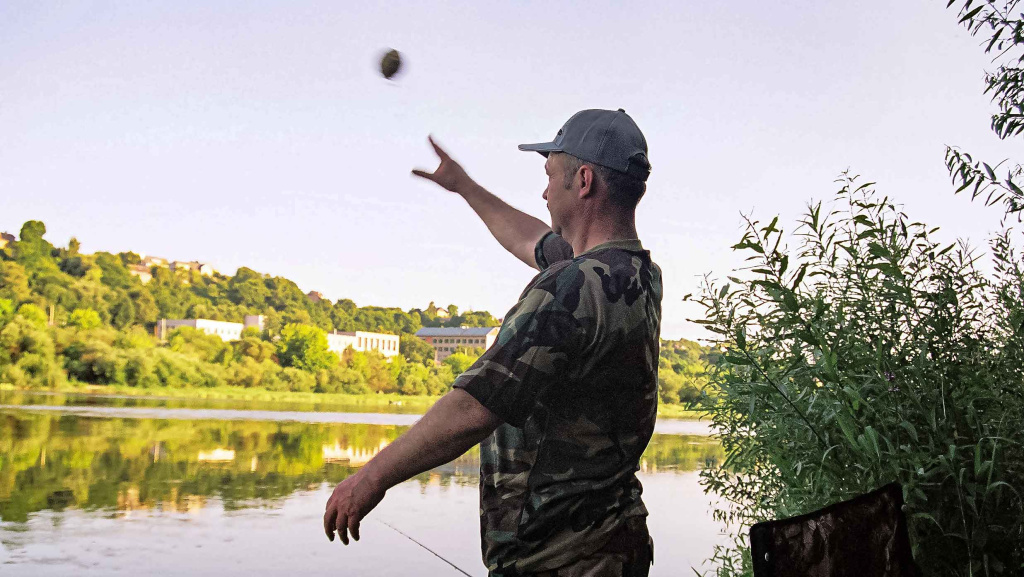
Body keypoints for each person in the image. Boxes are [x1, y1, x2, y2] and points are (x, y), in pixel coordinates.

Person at [323, 109, 662, 577]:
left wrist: (370, 478)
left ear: (583, 181)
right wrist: (464, 185)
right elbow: (529, 240)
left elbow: (472, 409)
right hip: (616, 546)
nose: (544, 192)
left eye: (550, 176)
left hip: (557, 560)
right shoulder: (635, 274)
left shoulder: (572, 287)